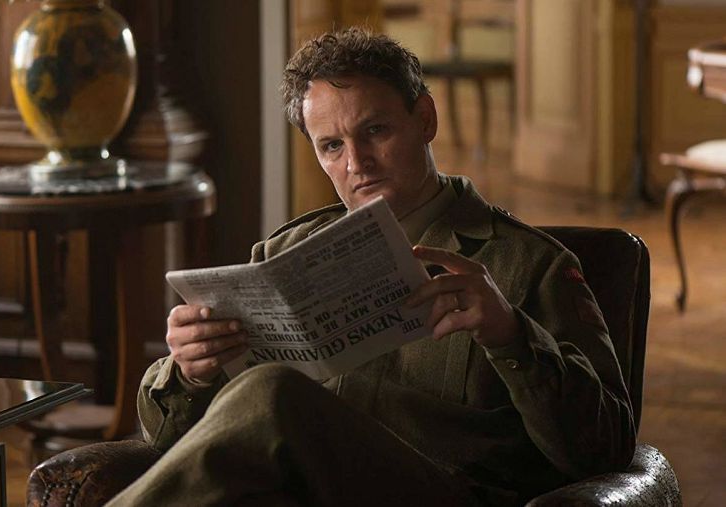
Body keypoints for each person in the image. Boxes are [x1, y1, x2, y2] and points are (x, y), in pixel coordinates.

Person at [106, 28, 635, 506]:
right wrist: (189, 373)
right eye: (332, 146)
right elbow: (163, 440)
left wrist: (513, 337)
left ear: (425, 119)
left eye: (375, 131)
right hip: (298, 491)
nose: (356, 163)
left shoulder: (532, 264)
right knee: (260, 399)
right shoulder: (280, 255)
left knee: (271, 392)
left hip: (446, 494)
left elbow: (607, 450)